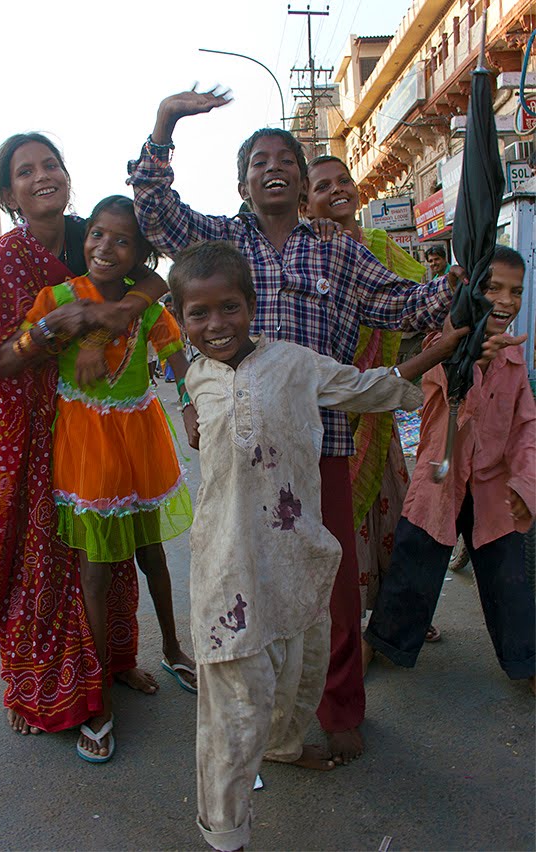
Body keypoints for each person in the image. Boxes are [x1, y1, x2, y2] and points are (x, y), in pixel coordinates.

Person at [127, 86, 461, 763]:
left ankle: (339, 708)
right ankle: (264, 723)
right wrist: (165, 123)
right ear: (243, 181)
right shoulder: (218, 238)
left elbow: (402, 304)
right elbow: (156, 213)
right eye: (259, 162)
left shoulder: (340, 250)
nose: (273, 168)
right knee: (242, 585)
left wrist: (461, 283)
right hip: (236, 455)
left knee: (331, 589)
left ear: (304, 183)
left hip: (320, 448)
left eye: (286, 159)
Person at [167, 239, 469, 851]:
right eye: (198, 314)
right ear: (182, 319)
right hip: (227, 568)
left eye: (228, 307)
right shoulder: (195, 373)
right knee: (231, 705)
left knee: (298, 673)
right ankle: (225, 833)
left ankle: (280, 747)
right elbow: (181, 372)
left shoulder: (296, 363)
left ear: (251, 305)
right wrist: (184, 404)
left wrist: (436, 352)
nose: (215, 324)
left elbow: (367, 387)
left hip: (298, 553)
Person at [0, 133, 170, 737]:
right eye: (26, 171)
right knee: (39, 563)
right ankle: (39, 688)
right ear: (9, 194)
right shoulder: (11, 254)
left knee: (107, 555)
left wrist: (117, 315)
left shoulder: (88, 235)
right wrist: (54, 326)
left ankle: (112, 665)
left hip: (94, 426)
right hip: (30, 433)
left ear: (68, 176)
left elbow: (150, 277)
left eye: (51, 164)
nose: (42, 175)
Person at [3, 195, 194, 761]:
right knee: (94, 572)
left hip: (139, 441)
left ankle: (175, 649)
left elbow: (178, 355)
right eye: (98, 236)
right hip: (85, 448)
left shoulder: (145, 306)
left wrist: (191, 404)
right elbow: (11, 356)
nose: (105, 248)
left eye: (122, 240)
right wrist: (48, 334)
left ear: (139, 254)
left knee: (152, 554)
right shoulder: (59, 297)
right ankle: (100, 702)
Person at [364, 247, 535, 692]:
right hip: (440, 480)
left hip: (493, 486)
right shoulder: (442, 348)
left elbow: (525, 427)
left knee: (509, 580)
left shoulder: (516, 360)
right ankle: (383, 642)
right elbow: (446, 396)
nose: (506, 300)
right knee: (412, 569)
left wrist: (524, 482)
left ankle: (526, 659)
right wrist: (474, 359)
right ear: (471, 291)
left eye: (515, 291)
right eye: (493, 288)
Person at [301, 155, 441, 655]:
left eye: (343, 181)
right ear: (306, 199)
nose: (337, 190)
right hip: (331, 408)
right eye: (322, 186)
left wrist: (434, 355)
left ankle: (396, 616)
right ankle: (349, 628)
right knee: (344, 525)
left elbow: (419, 299)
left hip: (379, 408)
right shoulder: (307, 250)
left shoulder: (381, 246)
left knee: (394, 516)